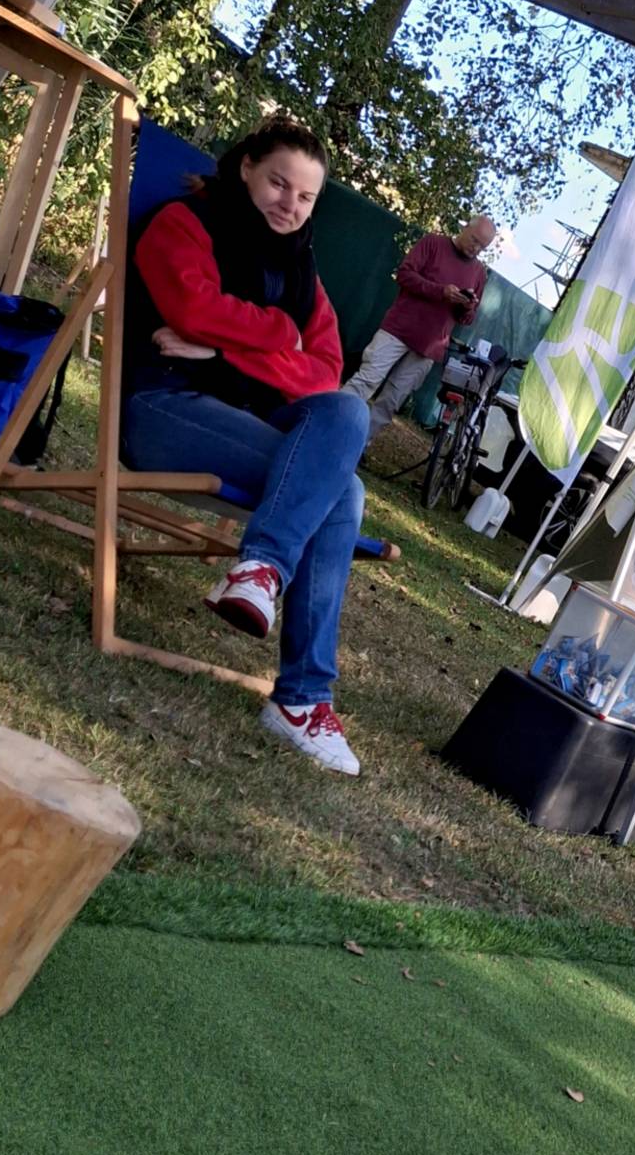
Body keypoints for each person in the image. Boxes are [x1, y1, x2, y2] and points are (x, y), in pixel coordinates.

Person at [121, 117, 369, 777]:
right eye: (278, 184)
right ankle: (300, 701)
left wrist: (227, 354)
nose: (289, 205)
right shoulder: (186, 222)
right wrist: (278, 333)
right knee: (338, 493)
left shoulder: (299, 269)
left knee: (346, 418)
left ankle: (262, 572)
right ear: (246, 169)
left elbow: (326, 369)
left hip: (231, 413)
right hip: (160, 409)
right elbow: (191, 310)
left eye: (306, 196)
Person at [344, 214, 495, 442]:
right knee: (366, 381)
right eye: (474, 240)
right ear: (465, 228)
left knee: (392, 401)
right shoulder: (433, 243)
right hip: (398, 329)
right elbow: (404, 275)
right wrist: (440, 291)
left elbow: (467, 319)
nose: (476, 248)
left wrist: (467, 306)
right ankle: (326, 423)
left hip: (429, 347)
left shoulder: (479, 274)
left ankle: (357, 446)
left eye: (482, 247)